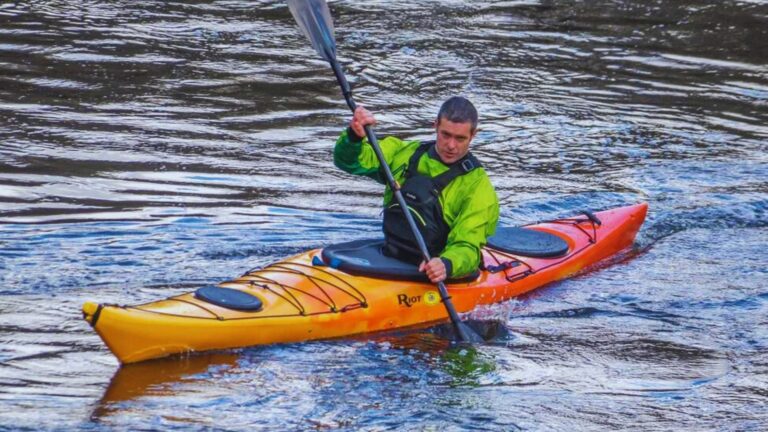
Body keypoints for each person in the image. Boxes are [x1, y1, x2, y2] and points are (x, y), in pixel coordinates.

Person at [334, 96, 499, 283]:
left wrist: (447, 264)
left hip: (434, 269)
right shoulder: (403, 153)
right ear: (435, 126)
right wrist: (354, 137)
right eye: (446, 135)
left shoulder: (478, 188)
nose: (451, 145)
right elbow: (348, 162)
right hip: (391, 254)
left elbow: (468, 246)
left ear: (473, 135)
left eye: (460, 138)